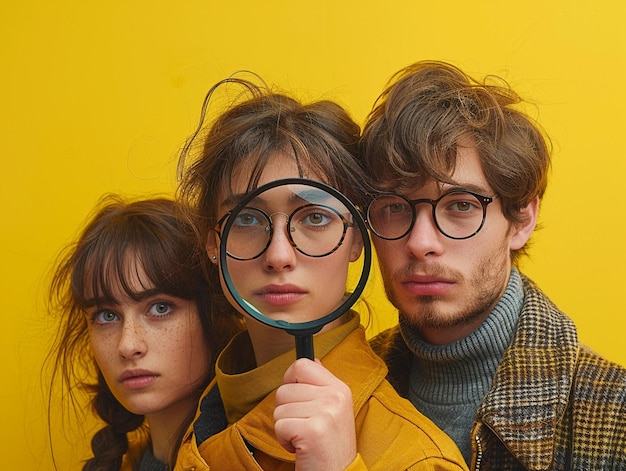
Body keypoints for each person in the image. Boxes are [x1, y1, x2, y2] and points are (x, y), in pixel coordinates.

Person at [173, 75, 468, 470]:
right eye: (246, 218)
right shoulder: (198, 413)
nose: (279, 255)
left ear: (357, 240)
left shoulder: (418, 459)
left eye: (314, 217)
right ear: (214, 242)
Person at [361, 60, 626, 470]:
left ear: (521, 219)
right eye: (394, 208)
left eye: (461, 206)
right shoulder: (351, 385)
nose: (420, 243)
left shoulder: (613, 415)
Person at [45, 195, 243, 470]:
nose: (127, 345)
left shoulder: (267, 455)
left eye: (160, 308)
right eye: (107, 316)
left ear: (215, 312)